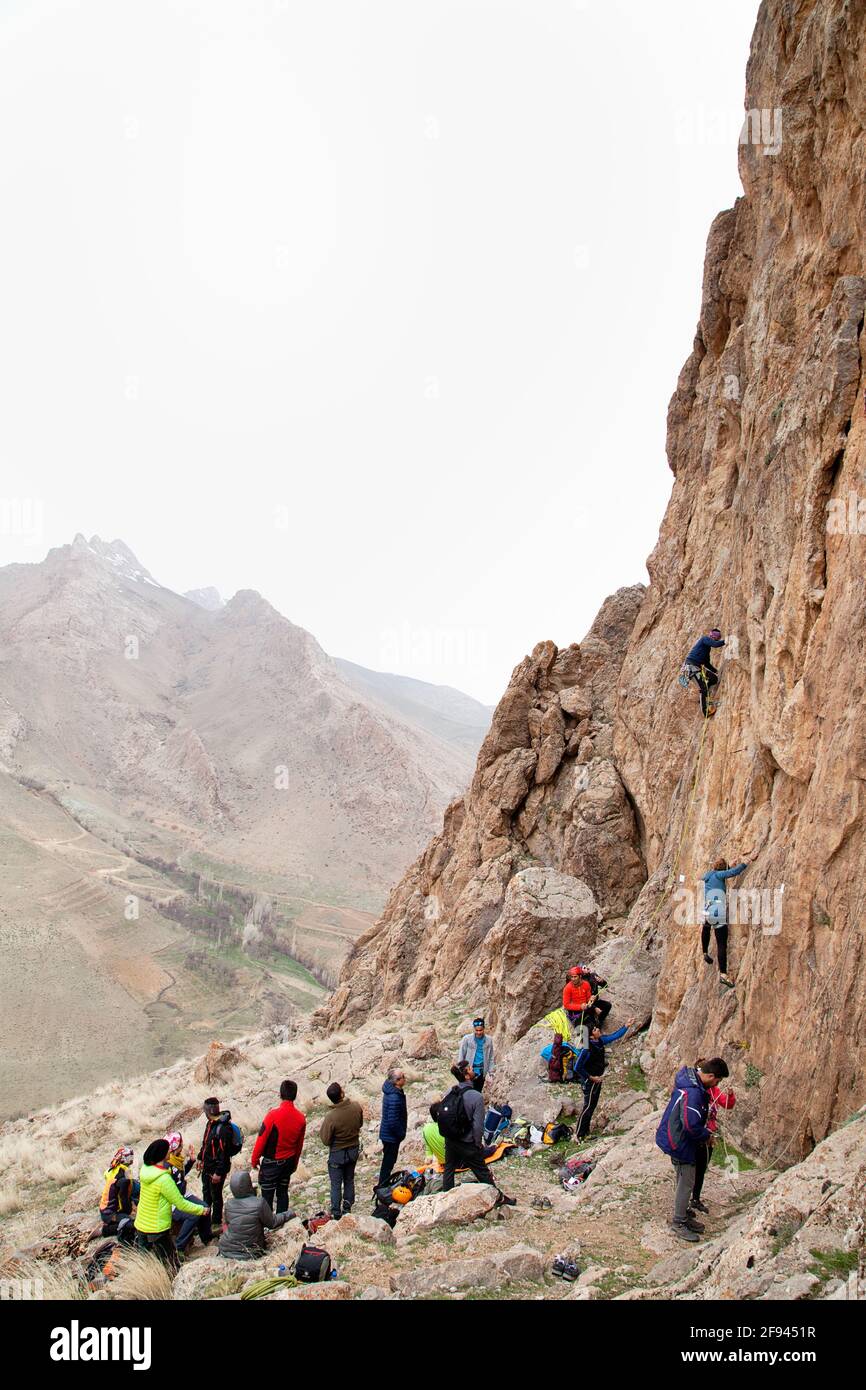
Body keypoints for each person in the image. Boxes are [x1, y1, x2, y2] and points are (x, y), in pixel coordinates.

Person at [655, 1058, 729, 1242]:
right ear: (711, 1076)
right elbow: (690, 1124)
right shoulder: (694, 1093)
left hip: (675, 1136)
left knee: (683, 1178)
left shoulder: (689, 1082)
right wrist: (706, 1135)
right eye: (717, 1081)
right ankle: (679, 1222)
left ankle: (683, 1212)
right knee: (686, 1181)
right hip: (679, 1141)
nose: (716, 1084)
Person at [436, 1063, 516, 1204]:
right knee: (482, 1171)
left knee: (449, 1168)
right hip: (467, 1142)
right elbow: (478, 1125)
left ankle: (445, 1199)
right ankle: (498, 1198)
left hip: (451, 1139)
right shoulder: (476, 1097)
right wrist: (478, 1143)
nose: (474, 1071)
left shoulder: (450, 1091)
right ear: (467, 1075)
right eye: (471, 1069)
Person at [134, 1139, 210, 1270]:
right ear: (162, 1154)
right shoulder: (164, 1179)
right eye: (168, 1149)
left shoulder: (146, 1170)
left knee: (145, 1261)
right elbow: (180, 1204)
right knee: (170, 1263)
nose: (170, 1150)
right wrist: (201, 1210)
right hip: (156, 1227)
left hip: (141, 1224)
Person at [250, 1079, 306, 1214]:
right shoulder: (300, 1118)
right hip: (289, 1161)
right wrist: (294, 1164)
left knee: (267, 1196)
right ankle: (282, 1221)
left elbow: (261, 1139)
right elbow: (299, 1145)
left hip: (271, 1163)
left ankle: (268, 1225)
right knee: (283, 1192)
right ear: (295, 1095)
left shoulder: (272, 1115)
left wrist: (254, 1159)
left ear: (280, 1094)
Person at [573, 1018, 635, 1138]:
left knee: (592, 1106)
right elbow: (577, 1067)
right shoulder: (586, 1049)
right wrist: (591, 1078)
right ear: (591, 1036)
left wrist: (626, 1026)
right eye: (595, 1029)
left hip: (597, 1079)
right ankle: (579, 1134)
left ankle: (585, 1133)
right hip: (590, 1082)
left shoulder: (599, 1041)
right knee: (588, 1106)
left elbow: (613, 1036)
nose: (598, 1030)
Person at [219, 1169, 293, 1260]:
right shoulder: (259, 1203)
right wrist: (289, 1214)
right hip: (251, 1251)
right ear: (248, 1185)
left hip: (226, 1249)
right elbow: (273, 1223)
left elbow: (226, 1225)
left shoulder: (229, 1204)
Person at [691, 1066, 736, 1213]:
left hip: (707, 1137)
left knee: (701, 1169)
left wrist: (730, 1095)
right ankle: (684, 1202)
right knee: (689, 1170)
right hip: (696, 1136)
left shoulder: (714, 1091)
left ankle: (695, 1198)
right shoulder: (696, 1091)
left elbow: (727, 1104)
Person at [319, 1082, 364, 1220]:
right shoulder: (356, 1107)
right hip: (353, 1150)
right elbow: (360, 1124)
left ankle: (336, 1212)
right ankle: (347, 1207)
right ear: (342, 1093)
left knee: (336, 1184)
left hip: (337, 1154)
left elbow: (326, 1140)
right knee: (349, 1179)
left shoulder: (331, 1116)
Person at [701, 858, 747, 986]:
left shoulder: (708, 876)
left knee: (706, 927)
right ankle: (723, 974)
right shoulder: (720, 875)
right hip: (718, 911)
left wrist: (729, 865)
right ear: (723, 869)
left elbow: (724, 871)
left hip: (708, 909)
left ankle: (704, 952)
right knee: (721, 943)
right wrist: (745, 863)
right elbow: (734, 872)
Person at [165, 1131, 212, 1253]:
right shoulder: (167, 1165)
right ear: (176, 1146)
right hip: (172, 1201)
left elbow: (179, 1176)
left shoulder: (176, 1160)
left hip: (182, 1194)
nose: (182, 1146)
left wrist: (191, 1161)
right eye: (181, 1144)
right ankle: (179, 1247)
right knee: (194, 1214)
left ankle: (207, 1238)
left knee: (205, 1207)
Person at [196, 1097, 237, 1228]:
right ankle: (206, 1221)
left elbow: (224, 1154)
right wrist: (200, 1158)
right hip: (207, 1168)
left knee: (216, 1197)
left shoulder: (223, 1128)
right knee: (206, 1194)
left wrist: (218, 1173)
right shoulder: (210, 1124)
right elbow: (206, 1144)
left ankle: (215, 1222)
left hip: (216, 1171)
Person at [377, 1067, 407, 1191]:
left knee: (388, 1161)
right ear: (397, 1081)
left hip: (389, 1135)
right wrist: (401, 1134)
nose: (405, 1079)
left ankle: (383, 1185)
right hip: (391, 1136)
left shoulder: (392, 1092)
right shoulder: (394, 1097)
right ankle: (383, 1187)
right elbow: (393, 1121)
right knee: (388, 1163)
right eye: (403, 1077)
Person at [98, 1146, 138, 1241]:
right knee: (131, 1224)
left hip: (105, 1208)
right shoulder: (123, 1178)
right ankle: (104, 1230)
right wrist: (129, 1211)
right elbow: (123, 1199)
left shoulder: (114, 1169)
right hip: (110, 1212)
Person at [683, 628, 726, 716]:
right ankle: (706, 711)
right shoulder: (704, 639)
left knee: (713, 679)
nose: (716, 639)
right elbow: (716, 644)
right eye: (717, 638)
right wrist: (727, 640)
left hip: (697, 667)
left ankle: (705, 695)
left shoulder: (706, 648)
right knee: (703, 688)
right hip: (691, 668)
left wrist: (716, 671)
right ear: (713, 637)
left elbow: (706, 663)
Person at [457, 1018, 495, 1092]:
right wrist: (461, 1071)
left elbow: (491, 1057)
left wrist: (491, 1072)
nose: (478, 1032)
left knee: (478, 1091)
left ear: (484, 1029)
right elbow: (461, 1054)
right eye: (476, 1030)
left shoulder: (489, 1040)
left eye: (480, 1030)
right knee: (466, 1091)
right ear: (473, 1029)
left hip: (482, 1072)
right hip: (469, 1071)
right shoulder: (467, 1039)